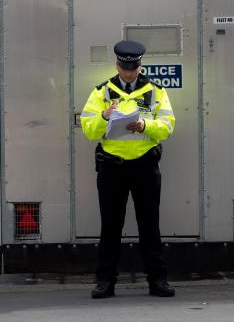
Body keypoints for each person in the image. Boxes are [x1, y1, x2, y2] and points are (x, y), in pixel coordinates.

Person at [80, 40, 176, 299]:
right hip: (113, 168)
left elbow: (167, 125)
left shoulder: (156, 90)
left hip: (145, 166)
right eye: (124, 68)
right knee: (110, 227)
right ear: (117, 65)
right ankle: (105, 282)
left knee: (150, 226)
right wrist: (103, 117)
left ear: (139, 66)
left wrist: (144, 126)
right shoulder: (102, 92)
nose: (128, 73)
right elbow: (88, 128)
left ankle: (158, 281)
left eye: (132, 68)